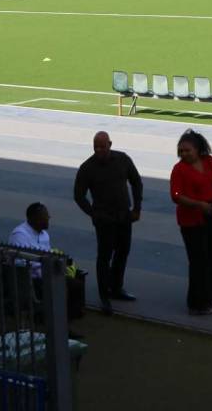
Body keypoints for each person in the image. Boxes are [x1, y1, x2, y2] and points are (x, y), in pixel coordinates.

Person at [74, 130, 143, 315]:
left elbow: (136, 182)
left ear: (110, 144)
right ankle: (104, 295)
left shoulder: (122, 159)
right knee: (104, 256)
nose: (98, 150)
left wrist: (137, 208)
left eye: (102, 146)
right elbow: (78, 196)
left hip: (123, 216)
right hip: (104, 219)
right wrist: (93, 214)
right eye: (95, 147)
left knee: (122, 252)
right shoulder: (87, 167)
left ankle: (116, 288)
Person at [169, 128, 212, 315]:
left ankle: (208, 297)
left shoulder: (208, 162)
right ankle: (196, 302)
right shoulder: (179, 170)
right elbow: (176, 196)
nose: (184, 154)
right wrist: (198, 204)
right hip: (191, 220)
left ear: (197, 149)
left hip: (210, 216)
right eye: (181, 151)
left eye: (187, 150)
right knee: (198, 260)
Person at [8, 202, 52, 281]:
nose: (48, 218)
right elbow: (19, 263)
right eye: (44, 217)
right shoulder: (20, 235)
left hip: (47, 276)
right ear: (33, 219)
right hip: (30, 280)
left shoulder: (45, 234)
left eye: (47, 216)